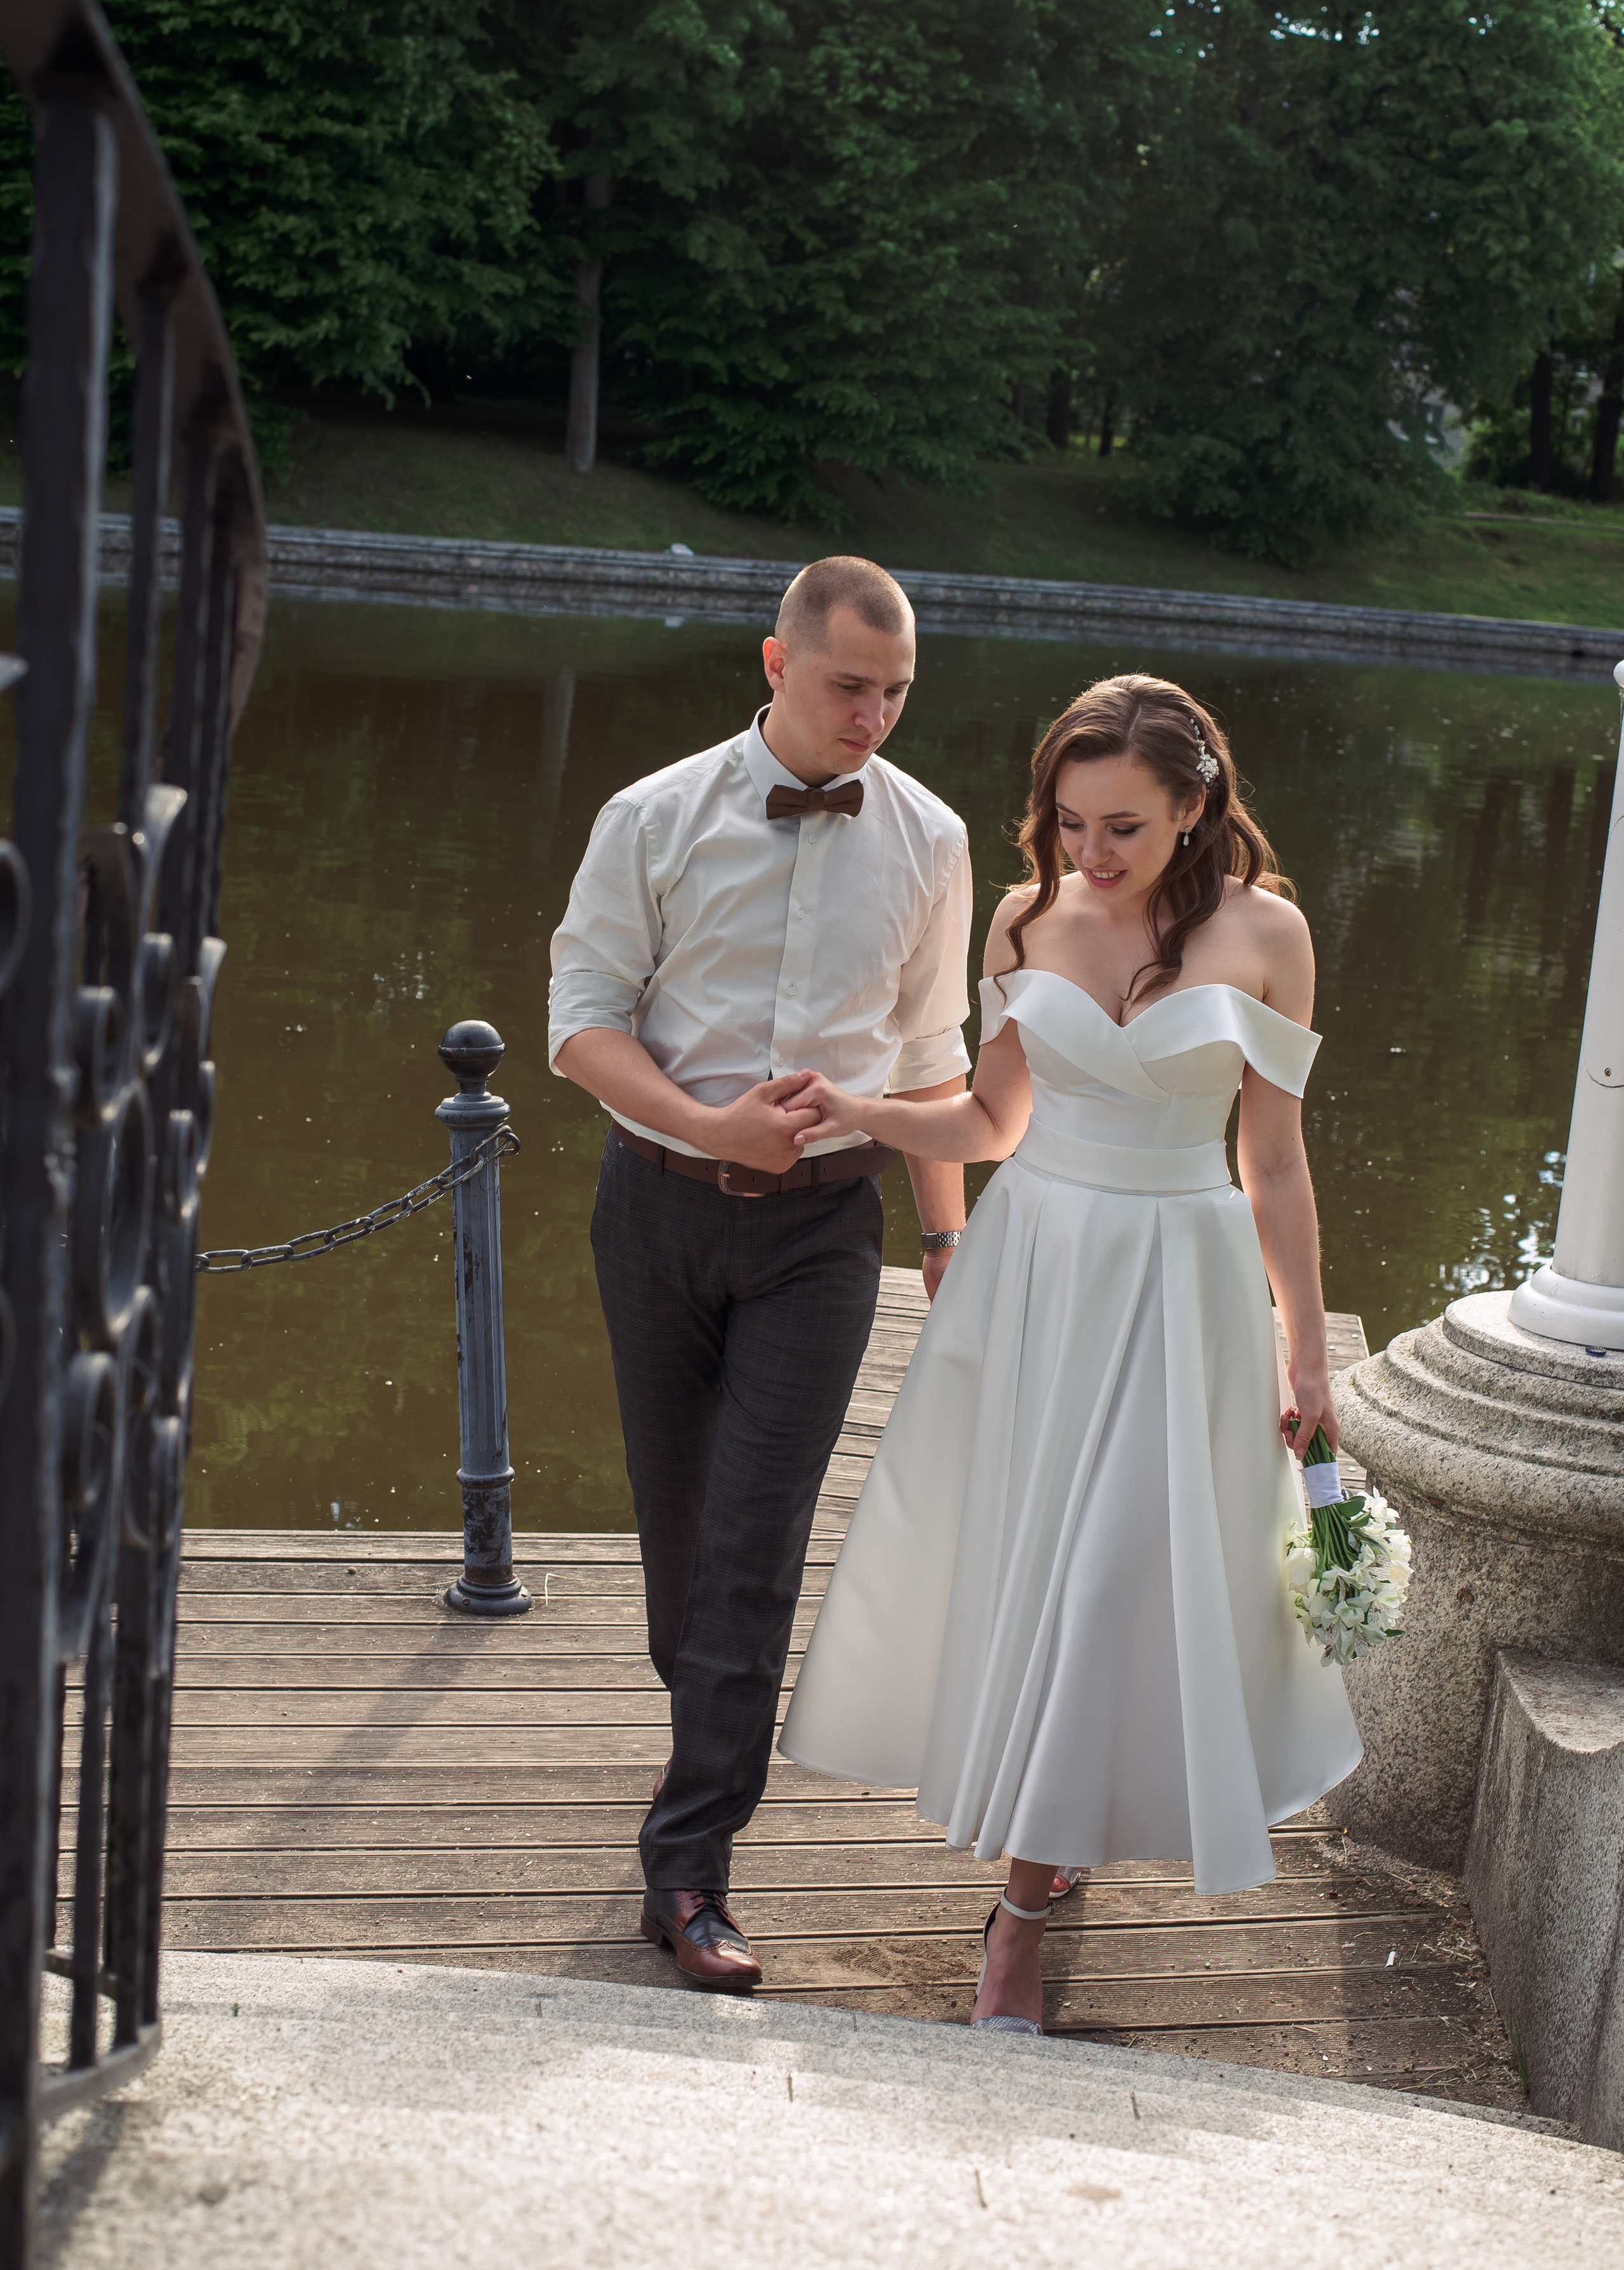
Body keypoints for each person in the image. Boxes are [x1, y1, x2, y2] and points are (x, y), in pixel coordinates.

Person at [777, 672, 1362, 2034]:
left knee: (1115, 1579)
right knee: (1042, 1564)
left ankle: (1017, 1921)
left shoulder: (1264, 932)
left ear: (1193, 809)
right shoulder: (1021, 916)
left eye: (1121, 830)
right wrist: (857, 1110)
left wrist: (1306, 1354)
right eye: (1066, 820)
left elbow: (1270, 1161)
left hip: (1182, 1276)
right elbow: (988, 1121)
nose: (1086, 855)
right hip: (1035, 1268)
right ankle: (1039, 1862)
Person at [548, 556, 973, 1995]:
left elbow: (930, 1062)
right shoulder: (650, 816)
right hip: (652, 1212)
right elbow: (581, 1027)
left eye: (897, 692)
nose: (874, 718)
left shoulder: (928, 838)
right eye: (852, 685)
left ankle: (688, 1872)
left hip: (821, 1236)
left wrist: (944, 1238)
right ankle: (704, 1746)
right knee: (683, 1551)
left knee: (753, 1543)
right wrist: (705, 1121)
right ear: (777, 662)